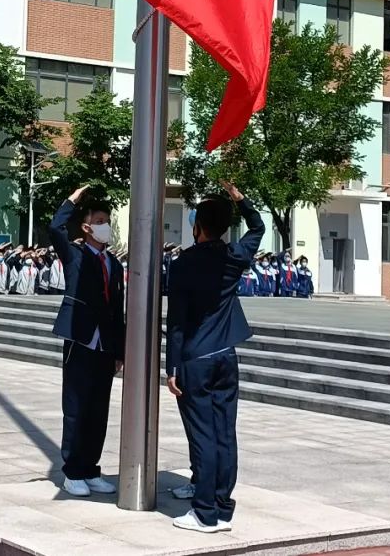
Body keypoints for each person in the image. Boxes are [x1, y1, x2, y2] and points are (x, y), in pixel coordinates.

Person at [166, 182, 263, 533]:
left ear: (197, 227)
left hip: (196, 357)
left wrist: (171, 366)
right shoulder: (234, 256)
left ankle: (204, 512)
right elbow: (259, 227)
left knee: (203, 435)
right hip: (226, 355)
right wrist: (242, 198)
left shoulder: (184, 264)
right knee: (225, 433)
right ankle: (222, 506)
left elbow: (176, 322)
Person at [49, 185, 125, 499]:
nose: (105, 226)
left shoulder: (115, 264)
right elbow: (55, 228)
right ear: (86, 226)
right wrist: (73, 199)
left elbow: (117, 307)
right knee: (76, 408)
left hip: (105, 345)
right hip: (81, 340)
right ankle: (73, 471)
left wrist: (120, 350)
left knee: (99, 410)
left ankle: (91, 469)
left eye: (107, 220)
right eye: (100, 220)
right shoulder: (75, 254)